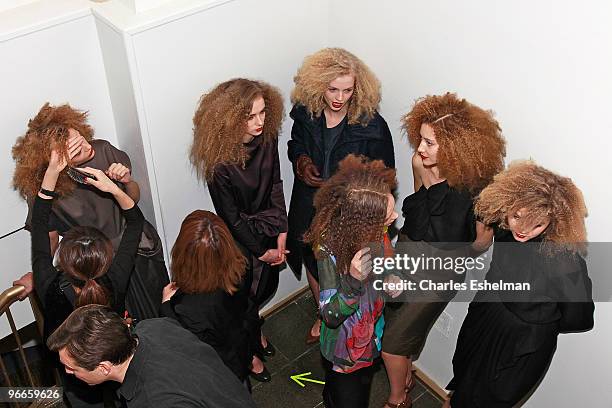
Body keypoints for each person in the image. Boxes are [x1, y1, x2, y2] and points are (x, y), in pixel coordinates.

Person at [381, 93, 506, 408]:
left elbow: (481, 244)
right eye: (420, 139)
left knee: (391, 343)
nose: (419, 148)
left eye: (429, 143)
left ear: (454, 146)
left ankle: (398, 400)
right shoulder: (418, 163)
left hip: (441, 270)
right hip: (408, 250)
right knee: (392, 319)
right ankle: (404, 373)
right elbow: (420, 210)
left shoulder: (478, 190)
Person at [445, 161, 594, 408]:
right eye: (517, 216)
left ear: (554, 220)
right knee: (463, 378)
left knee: (490, 400)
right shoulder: (504, 226)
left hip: (523, 344)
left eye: (537, 224)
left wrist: (537, 318)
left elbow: (579, 317)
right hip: (485, 316)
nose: (522, 230)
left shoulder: (564, 260)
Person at [12, 103, 169, 322]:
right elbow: (48, 238)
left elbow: (133, 198)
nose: (87, 148)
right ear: (59, 162)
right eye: (77, 149)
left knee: (158, 312)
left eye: (82, 138)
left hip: (137, 250)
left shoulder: (104, 150)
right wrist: (39, 275)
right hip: (96, 268)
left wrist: (126, 181)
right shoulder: (45, 189)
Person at [287, 48, 395, 345]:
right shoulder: (306, 112)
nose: (339, 97)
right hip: (307, 203)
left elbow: (384, 177)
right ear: (317, 84)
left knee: (339, 267)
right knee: (312, 260)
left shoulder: (372, 127)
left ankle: (336, 314)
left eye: (348, 90)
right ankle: (323, 311)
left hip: (346, 214)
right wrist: (301, 161)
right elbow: (295, 143)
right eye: (332, 88)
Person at [190, 78, 288, 382]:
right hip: (242, 241)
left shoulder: (267, 139)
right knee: (244, 303)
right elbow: (231, 219)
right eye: (250, 116)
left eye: (262, 113)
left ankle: (256, 335)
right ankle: (250, 358)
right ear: (231, 118)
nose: (260, 122)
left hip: (271, 226)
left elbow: (275, 184)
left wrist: (282, 231)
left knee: (260, 295)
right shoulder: (219, 165)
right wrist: (263, 249)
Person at [30, 146, 144, 407]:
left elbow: (39, 226)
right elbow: (135, 223)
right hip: (113, 365)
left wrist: (51, 172)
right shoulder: (115, 279)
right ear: (106, 258)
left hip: (77, 375)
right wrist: (114, 189)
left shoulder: (49, 286)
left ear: (64, 261)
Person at [304, 155, 398, 408]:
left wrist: (391, 277)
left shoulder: (377, 231)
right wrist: (353, 281)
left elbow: (387, 262)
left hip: (372, 337)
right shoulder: (328, 250)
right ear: (364, 219)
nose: (395, 215)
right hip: (344, 352)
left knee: (361, 384)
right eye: (388, 214)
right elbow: (330, 315)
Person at [47, 304, 257, 408]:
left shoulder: (153, 400)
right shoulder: (153, 327)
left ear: (103, 367)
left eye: (73, 368)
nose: (67, 372)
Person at [160, 210, 253, 385]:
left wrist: (165, 305)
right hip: (238, 343)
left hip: (219, 364)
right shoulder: (241, 260)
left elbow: (186, 343)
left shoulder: (186, 306)